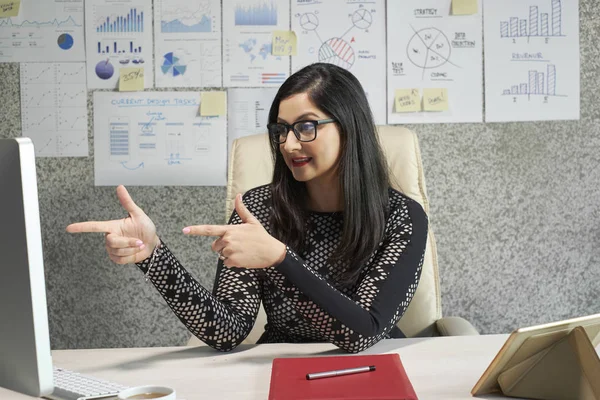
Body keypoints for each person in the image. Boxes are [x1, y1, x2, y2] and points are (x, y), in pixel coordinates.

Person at [67, 63, 428, 353]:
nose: (288, 144)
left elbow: (362, 334)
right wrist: (153, 256)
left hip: (374, 368)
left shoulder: (402, 217)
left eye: (305, 127)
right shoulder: (260, 209)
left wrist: (279, 258)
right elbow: (227, 330)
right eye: (281, 130)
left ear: (350, 128)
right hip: (277, 368)